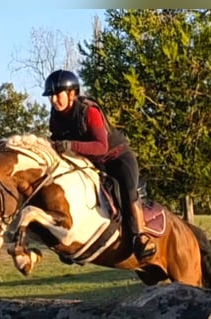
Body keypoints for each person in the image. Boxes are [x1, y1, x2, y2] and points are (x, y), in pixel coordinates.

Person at [42, 69, 156, 261]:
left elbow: (101, 147)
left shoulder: (89, 111)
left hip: (117, 158)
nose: (53, 100)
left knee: (128, 192)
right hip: (93, 164)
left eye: (57, 94)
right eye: (50, 96)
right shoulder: (56, 116)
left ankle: (141, 236)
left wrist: (70, 145)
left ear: (71, 94)